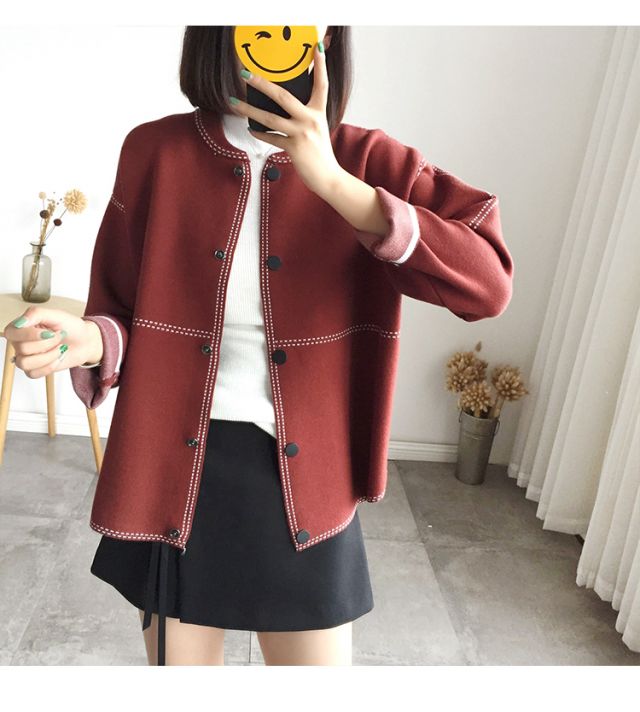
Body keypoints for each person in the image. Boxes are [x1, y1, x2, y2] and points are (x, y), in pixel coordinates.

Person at [4, 25, 513, 666]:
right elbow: (121, 313)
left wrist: (335, 183)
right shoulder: (155, 151)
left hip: (307, 481)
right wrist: (87, 339)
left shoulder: (368, 160)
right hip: (174, 471)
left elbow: (488, 285)